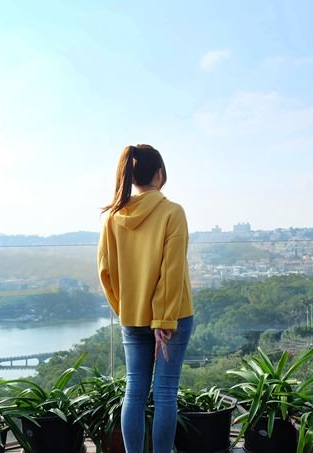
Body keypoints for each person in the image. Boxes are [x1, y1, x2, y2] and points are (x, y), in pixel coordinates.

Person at [98, 144, 194, 453]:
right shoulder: (172, 212)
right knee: (165, 392)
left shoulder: (112, 218)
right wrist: (163, 320)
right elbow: (172, 270)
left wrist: (126, 309)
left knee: (134, 391)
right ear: (159, 174)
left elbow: (106, 272)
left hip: (132, 317)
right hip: (173, 317)